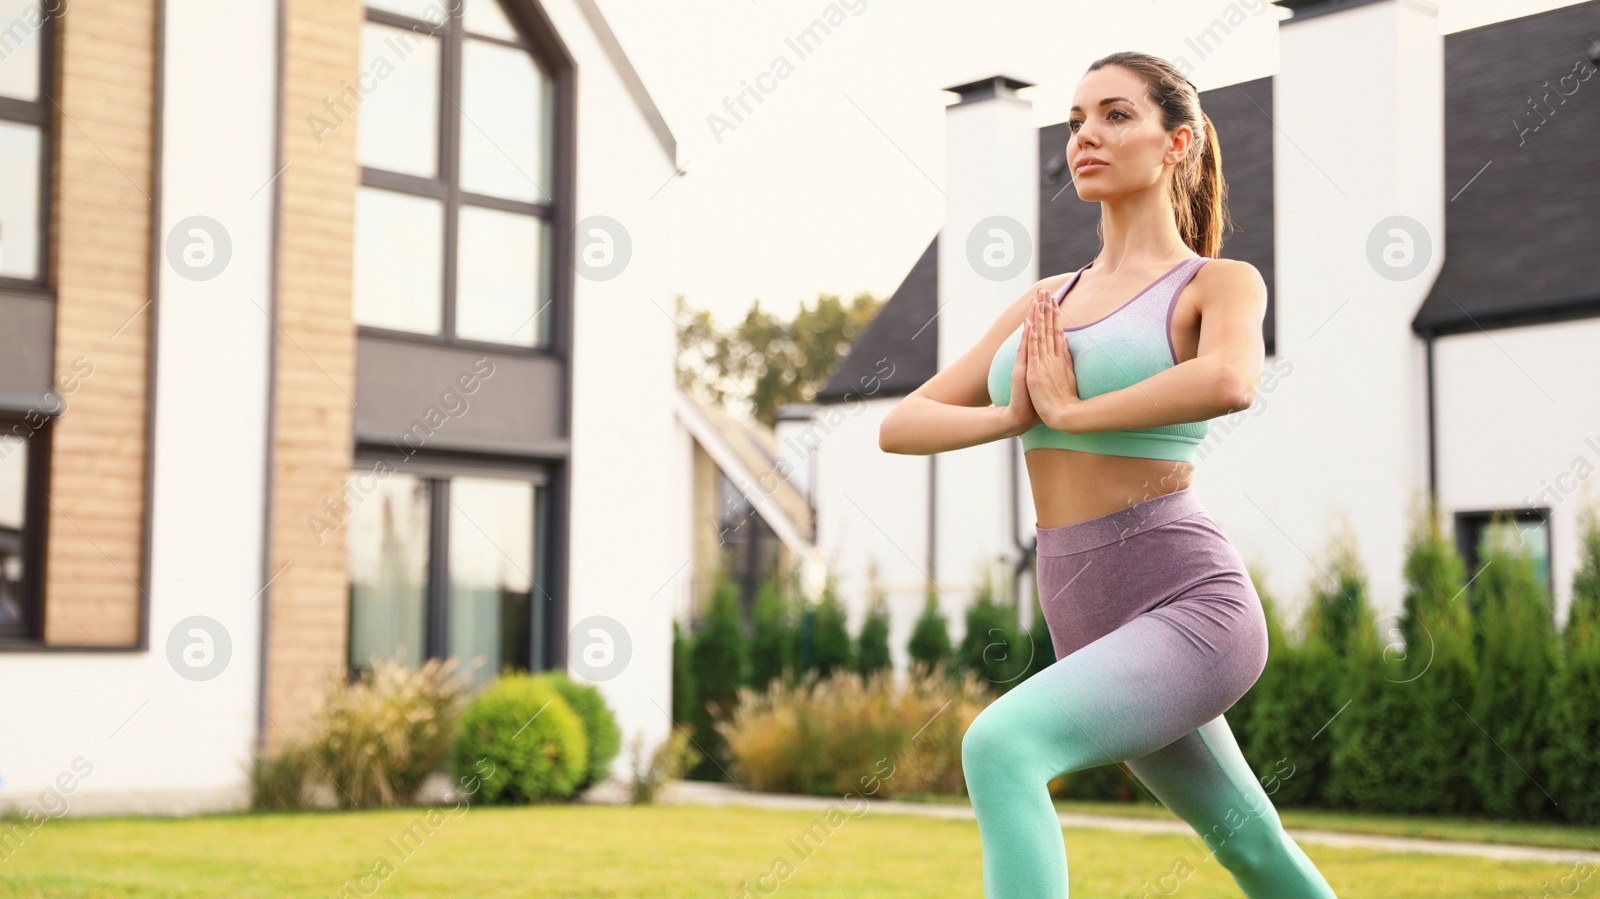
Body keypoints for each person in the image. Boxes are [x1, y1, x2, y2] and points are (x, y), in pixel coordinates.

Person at [878, 51, 1339, 898]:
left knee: (1000, 744)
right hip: (1084, 609)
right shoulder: (1043, 300)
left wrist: (1072, 410)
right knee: (1251, 845)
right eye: (1077, 119)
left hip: (1191, 600)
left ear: (1178, 143)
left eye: (1117, 114)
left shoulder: (1218, 283)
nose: (1087, 134)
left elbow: (1231, 379)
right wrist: (1011, 416)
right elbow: (900, 422)